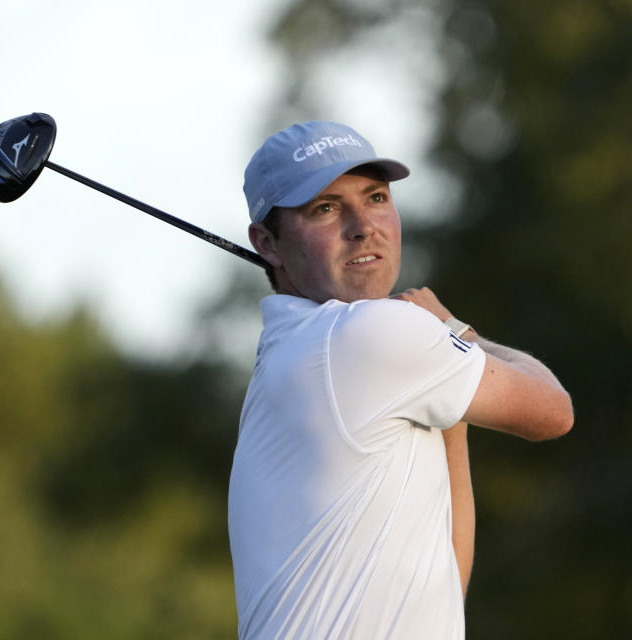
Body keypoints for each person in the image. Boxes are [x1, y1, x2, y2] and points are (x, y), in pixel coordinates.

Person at [228, 121, 573, 639]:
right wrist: (456, 329)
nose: (363, 226)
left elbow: (442, 591)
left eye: (376, 197)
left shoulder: (293, 355)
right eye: (325, 208)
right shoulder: (364, 336)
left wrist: (446, 364)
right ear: (267, 244)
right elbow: (553, 412)